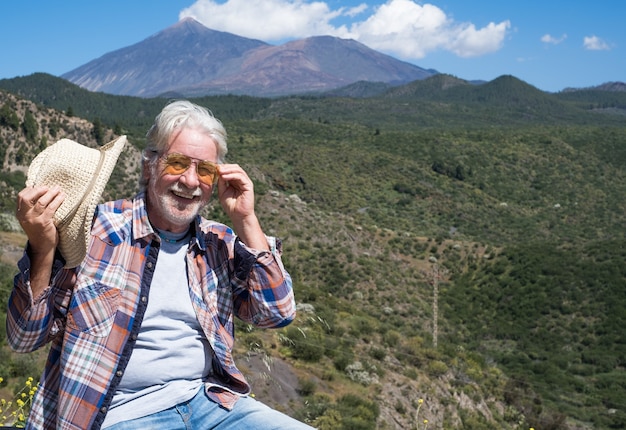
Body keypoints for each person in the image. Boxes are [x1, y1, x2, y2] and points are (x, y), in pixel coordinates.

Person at [7, 100, 314, 429]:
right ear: (148, 166)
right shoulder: (96, 232)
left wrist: (246, 220)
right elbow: (24, 338)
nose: (191, 180)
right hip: (120, 414)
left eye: (205, 170)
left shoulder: (218, 243)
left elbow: (277, 312)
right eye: (178, 163)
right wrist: (42, 249)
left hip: (208, 403)